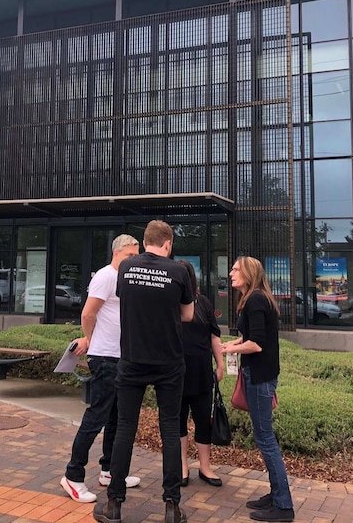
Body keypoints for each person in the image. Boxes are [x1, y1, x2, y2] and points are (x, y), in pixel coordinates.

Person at [94, 220, 195, 523]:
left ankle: (114, 504)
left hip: (133, 359)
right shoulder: (178, 271)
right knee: (169, 429)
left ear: (145, 241)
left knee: (125, 427)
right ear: (168, 244)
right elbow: (188, 314)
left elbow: (129, 300)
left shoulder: (127, 268)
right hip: (169, 362)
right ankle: (172, 506)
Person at [60, 234, 142, 503]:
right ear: (116, 253)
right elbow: (87, 314)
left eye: (136, 255)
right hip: (106, 359)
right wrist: (93, 344)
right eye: (129, 255)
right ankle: (73, 476)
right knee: (96, 417)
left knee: (116, 419)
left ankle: (109, 471)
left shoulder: (124, 278)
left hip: (120, 357)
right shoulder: (106, 276)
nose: (134, 260)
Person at [222, 256, 295, 523]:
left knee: (265, 438)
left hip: (260, 377)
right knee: (264, 436)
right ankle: (276, 495)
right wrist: (235, 343)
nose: (231, 273)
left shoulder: (254, 300)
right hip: (260, 374)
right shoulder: (256, 298)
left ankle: (284, 505)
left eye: (235, 269)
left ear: (249, 273)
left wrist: (233, 348)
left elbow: (257, 344)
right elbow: (252, 336)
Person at [174, 259, 224, 488]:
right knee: (178, 421)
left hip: (202, 371)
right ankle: (182, 466)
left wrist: (220, 364)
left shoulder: (203, 303)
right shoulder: (169, 303)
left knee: (203, 420)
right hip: (175, 372)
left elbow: (214, 336)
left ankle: (205, 467)